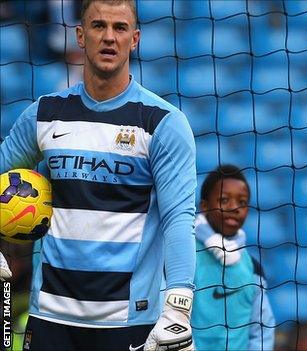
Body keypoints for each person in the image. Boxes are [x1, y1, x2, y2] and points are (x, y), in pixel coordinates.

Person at [0, 1, 197, 350]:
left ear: (134, 39)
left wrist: (179, 305)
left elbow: (178, 218)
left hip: (127, 323)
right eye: (98, 26)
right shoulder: (44, 114)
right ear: (80, 35)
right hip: (50, 318)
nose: (109, 37)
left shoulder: (164, 123)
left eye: (120, 28)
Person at [191, 164, 275, 350]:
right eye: (224, 199)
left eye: (242, 202)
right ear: (204, 206)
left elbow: (261, 331)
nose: (234, 208)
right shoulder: (185, 258)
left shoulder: (253, 268)